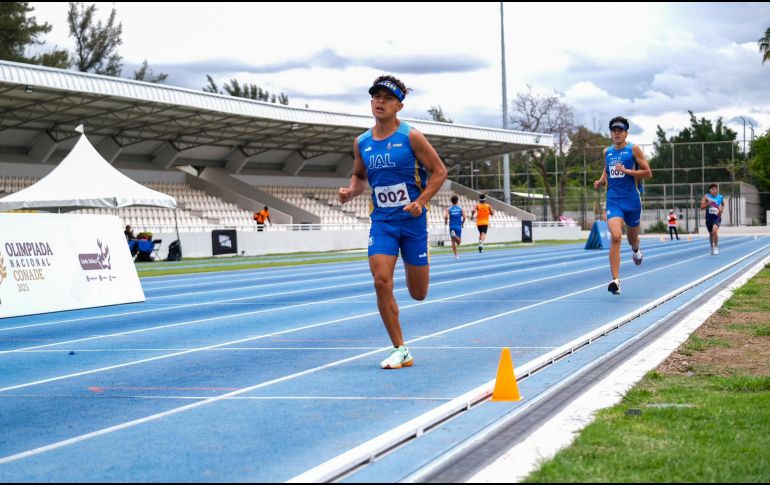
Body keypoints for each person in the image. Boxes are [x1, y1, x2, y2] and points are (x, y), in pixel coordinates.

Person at [338, 74, 447, 369]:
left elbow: (439, 172)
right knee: (381, 281)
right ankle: (401, 348)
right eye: (376, 97)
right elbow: (359, 176)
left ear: (399, 106)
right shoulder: (362, 142)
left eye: (388, 98)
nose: (380, 102)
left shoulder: (411, 137)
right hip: (383, 222)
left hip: (412, 222)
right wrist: (350, 191)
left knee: (418, 293)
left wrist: (421, 201)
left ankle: (420, 258)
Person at [593, 116, 652, 295]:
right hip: (614, 200)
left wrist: (627, 171)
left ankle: (636, 249)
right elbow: (607, 169)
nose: (617, 133)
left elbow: (647, 173)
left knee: (632, 239)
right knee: (616, 236)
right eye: (614, 131)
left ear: (626, 133)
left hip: (632, 201)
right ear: (611, 134)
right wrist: (601, 181)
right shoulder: (607, 152)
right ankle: (616, 281)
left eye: (620, 131)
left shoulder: (633, 149)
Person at [700, 183, 724, 255]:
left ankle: (716, 247)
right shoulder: (706, 197)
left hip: (717, 217)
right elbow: (701, 207)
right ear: (710, 190)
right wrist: (708, 203)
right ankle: (712, 247)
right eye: (712, 189)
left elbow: (723, 204)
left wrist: (721, 209)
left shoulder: (720, 197)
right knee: (711, 234)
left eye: (715, 189)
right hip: (709, 217)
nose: (714, 190)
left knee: (714, 231)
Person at [444, 195, 466, 260]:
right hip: (458, 226)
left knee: (453, 241)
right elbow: (464, 217)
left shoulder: (449, 209)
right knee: (459, 242)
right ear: (457, 201)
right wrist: (462, 223)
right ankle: (455, 236)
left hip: (452, 226)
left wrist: (446, 222)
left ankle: (456, 255)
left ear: (451, 201)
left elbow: (446, 216)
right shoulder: (461, 208)